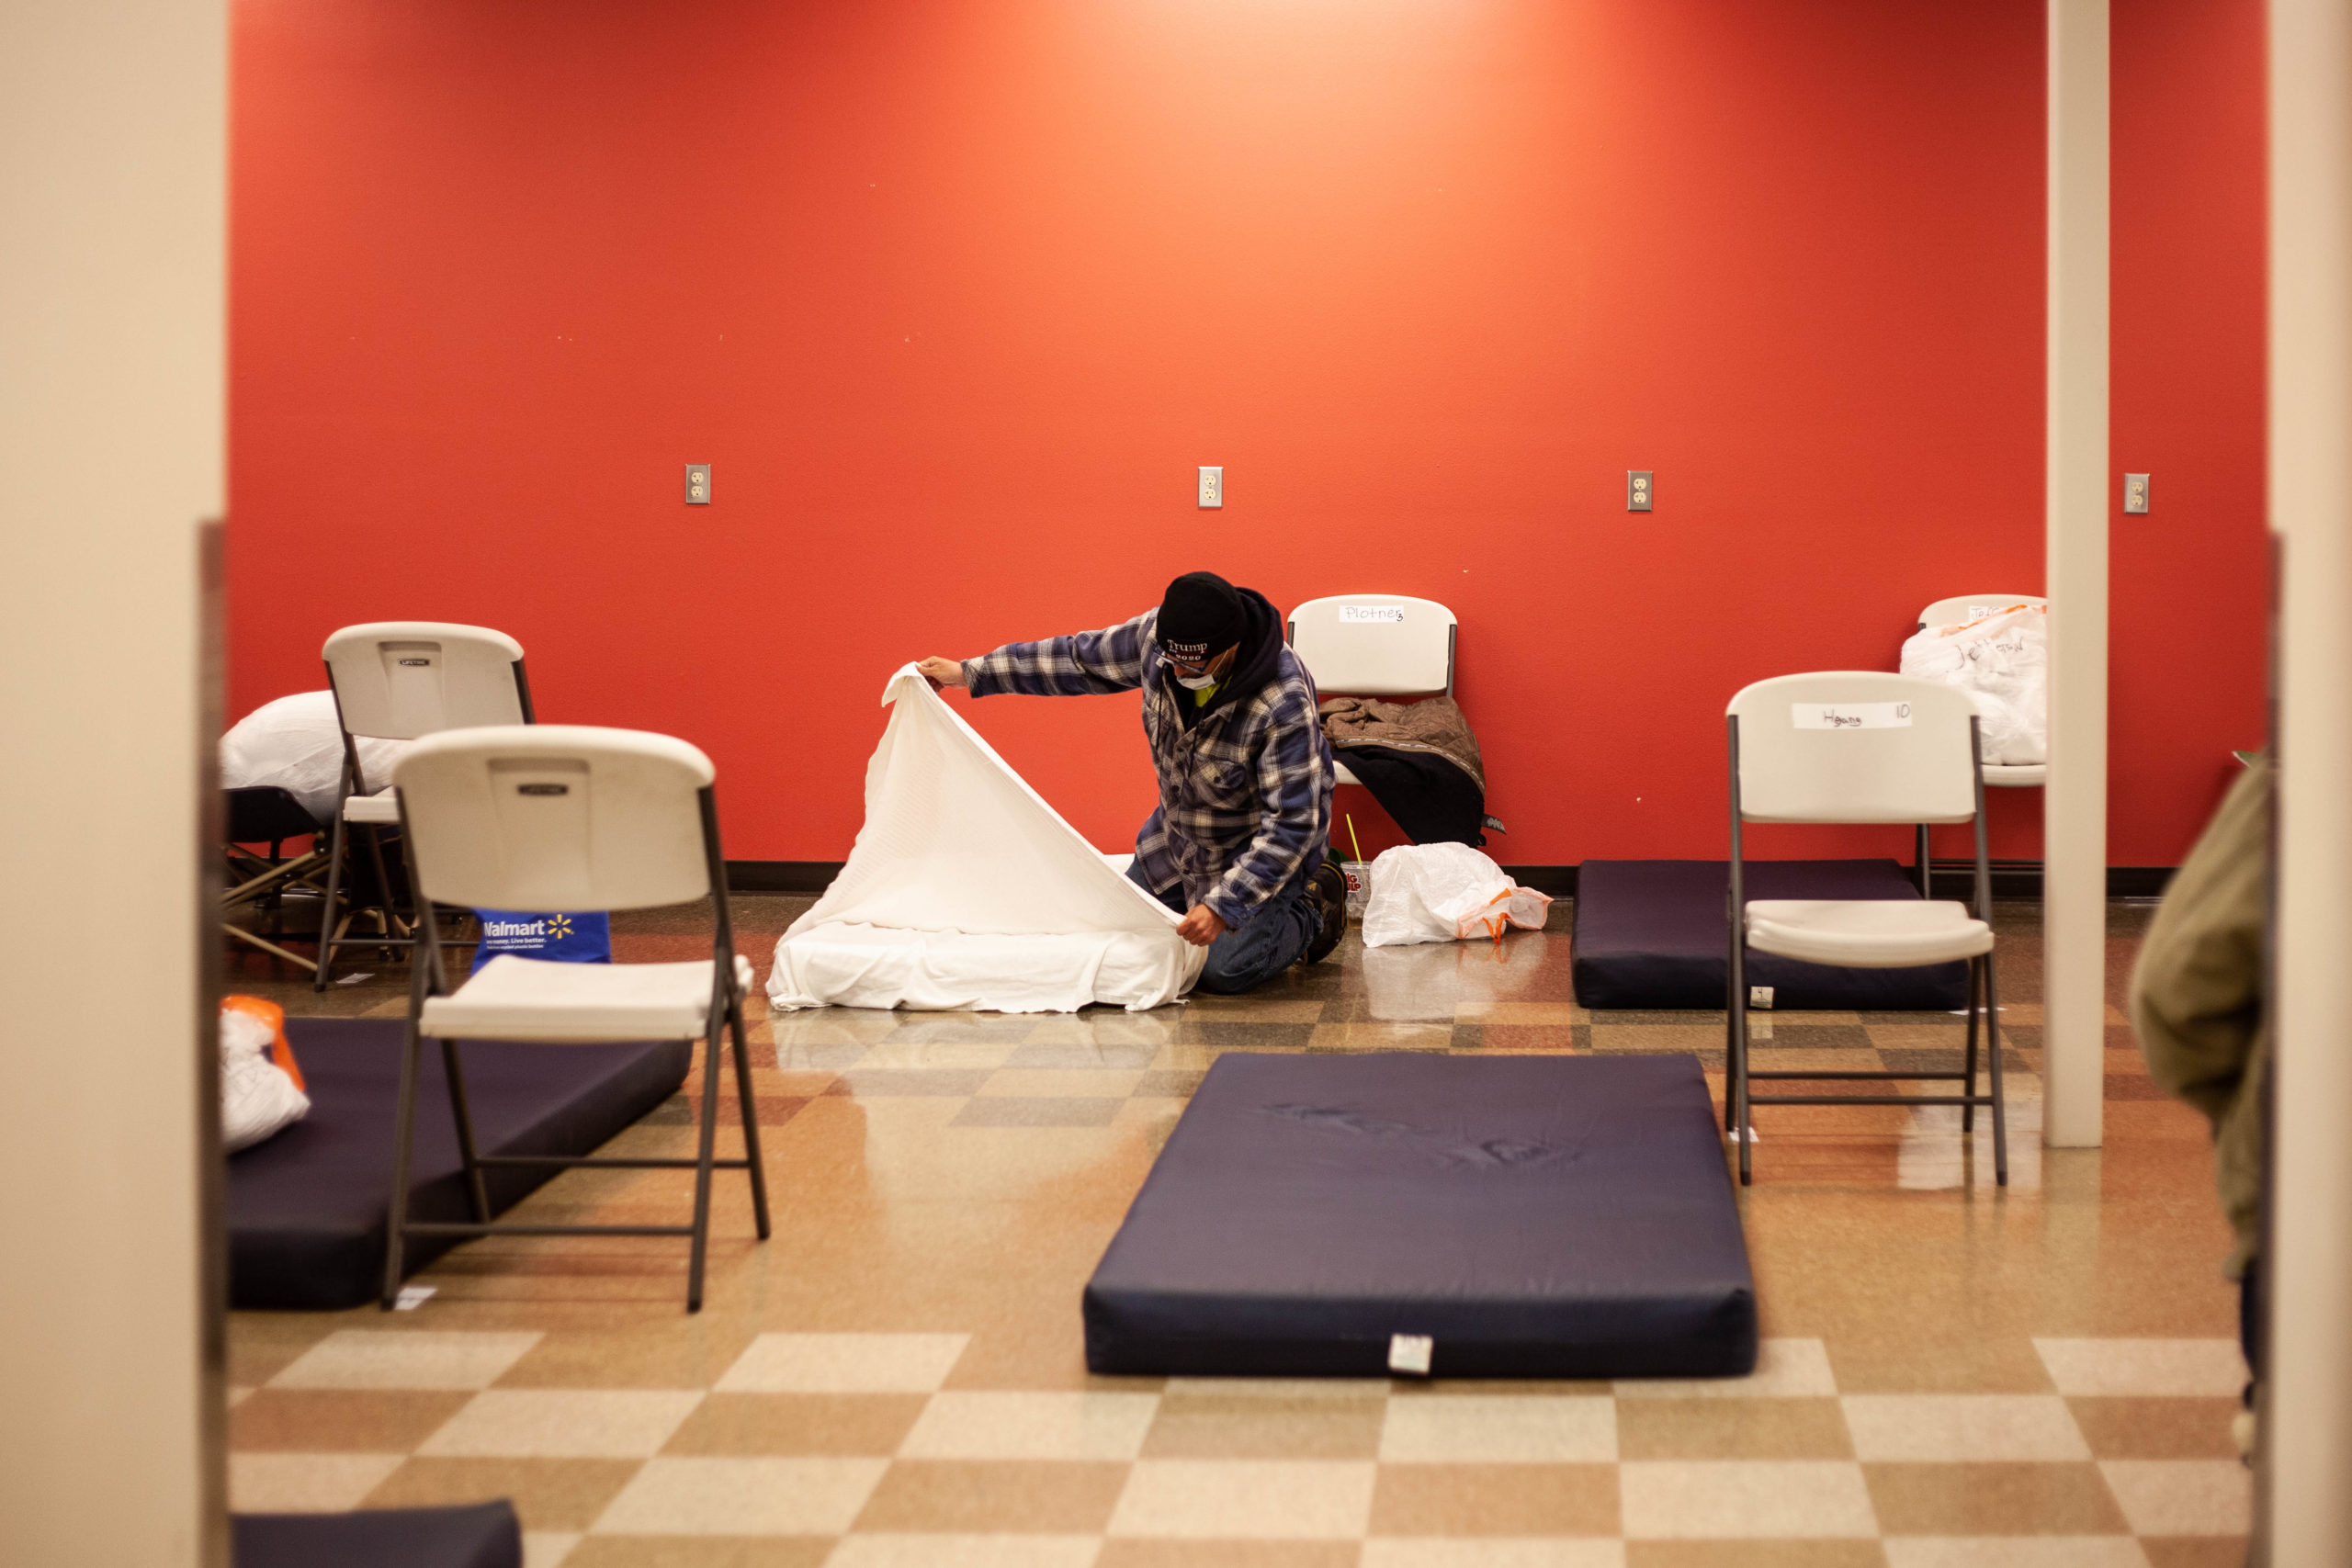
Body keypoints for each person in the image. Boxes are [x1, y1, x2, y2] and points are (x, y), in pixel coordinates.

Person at [919, 570, 1347, 992]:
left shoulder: (1282, 699)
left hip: (1255, 852)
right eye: (1171, 659)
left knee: (1223, 971)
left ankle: (1311, 906)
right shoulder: (1159, 640)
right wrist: (970, 673)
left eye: (1192, 663)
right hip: (1177, 841)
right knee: (1118, 936)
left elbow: (1293, 825)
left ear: (1229, 648)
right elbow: (1074, 660)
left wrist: (1223, 906)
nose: (1178, 671)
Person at [2129, 758, 2268, 1458]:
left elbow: (2180, 997)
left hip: (2305, 1194)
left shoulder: (2303, 772)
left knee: (2304, 1478)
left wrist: (2251, 1114)